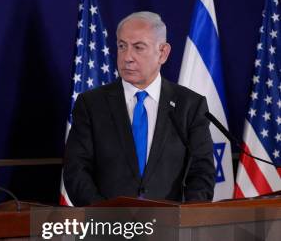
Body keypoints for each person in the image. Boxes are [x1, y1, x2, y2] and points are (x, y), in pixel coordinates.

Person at [63, 11, 215, 206]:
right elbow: (76, 171)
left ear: (163, 53)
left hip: (171, 230)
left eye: (138, 47)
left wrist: (186, 220)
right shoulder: (91, 104)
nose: (127, 57)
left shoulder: (189, 106)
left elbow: (202, 172)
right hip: (106, 229)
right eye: (122, 46)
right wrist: (105, 217)